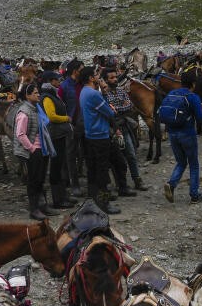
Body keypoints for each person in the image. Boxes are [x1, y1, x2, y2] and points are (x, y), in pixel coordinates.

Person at [78, 66, 124, 214]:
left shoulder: (83, 92)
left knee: (92, 169)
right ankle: (105, 203)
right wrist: (107, 101)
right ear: (91, 78)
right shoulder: (93, 94)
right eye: (96, 75)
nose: (99, 77)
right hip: (100, 136)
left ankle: (92, 200)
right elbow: (110, 112)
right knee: (103, 171)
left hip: (90, 135)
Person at [13, 84, 58, 220]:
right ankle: (34, 209)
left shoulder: (36, 109)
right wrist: (32, 149)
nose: (38, 95)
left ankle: (42, 205)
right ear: (27, 96)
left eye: (38, 92)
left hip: (42, 149)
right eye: (35, 93)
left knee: (40, 179)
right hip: (33, 150)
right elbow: (20, 134)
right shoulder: (24, 112)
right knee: (33, 181)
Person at [160, 77, 202, 204]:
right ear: (193, 84)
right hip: (187, 134)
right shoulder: (192, 96)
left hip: (172, 134)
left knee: (181, 162)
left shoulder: (171, 93)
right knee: (194, 164)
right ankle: (194, 195)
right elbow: (200, 119)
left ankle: (171, 184)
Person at [102, 68, 148, 191]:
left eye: (115, 77)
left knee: (131, 154)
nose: (115, 79)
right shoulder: (104, 95)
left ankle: (137, 179)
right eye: (111, 78)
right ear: (106, 80)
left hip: (124, 126)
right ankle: (120, 183)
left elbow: (129, 105)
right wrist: (119, 108)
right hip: (111, 129)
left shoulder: (121, 91)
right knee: (117, 158)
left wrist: (118, 109)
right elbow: (110, 111)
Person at [39, 70, 77, 208]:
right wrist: (66, 118)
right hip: (55, 135)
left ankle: (63, 195)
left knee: (61, 165)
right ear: (50, 81)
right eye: (56, 79)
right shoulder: (47, 97)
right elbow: (51, 116)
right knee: (56, 166)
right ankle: (58, 200)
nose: (59, 81)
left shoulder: (51, 94)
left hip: (59, 134)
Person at [58, 59, 84, 197]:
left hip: (85, 123)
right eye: (81, 69)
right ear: (75, 71)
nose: (83, 72)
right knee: (70, 155)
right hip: (71, 125)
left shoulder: (83, 83)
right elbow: (60, 104)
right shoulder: (64, 86)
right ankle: (74, 184)